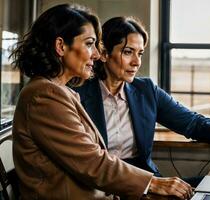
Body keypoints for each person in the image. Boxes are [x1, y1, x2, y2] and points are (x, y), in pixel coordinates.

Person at [10, 4, 193, 200]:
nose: (97, 55)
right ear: (61, 46)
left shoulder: (60, 92)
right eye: (89, 44)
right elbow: (91, 162)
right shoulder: (43, 96)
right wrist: (154, 183)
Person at [73, 16, 210, 187]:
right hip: (102, 185)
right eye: (128, 52)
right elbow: (84, 162)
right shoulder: (77, 95)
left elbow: (191, 122)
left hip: (147, 180)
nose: (136, 62)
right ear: (105, 54)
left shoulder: (146, 90)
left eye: (140, 53)